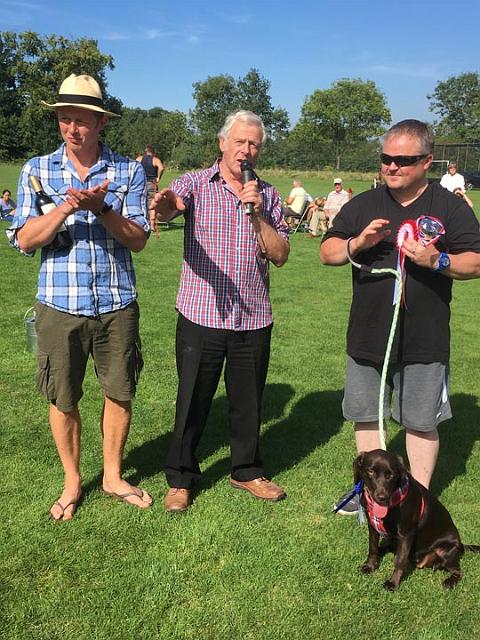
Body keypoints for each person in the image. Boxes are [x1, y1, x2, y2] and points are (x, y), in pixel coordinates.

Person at [6, 74, 152, 520]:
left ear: (100, 123)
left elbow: (139, 240)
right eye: (65, 119)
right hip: (59, 304)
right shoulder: (37, 170)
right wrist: (67, 207)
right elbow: (24, 240)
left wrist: (101, 209)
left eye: (82, 120)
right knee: (62, 397)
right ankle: (72, 480)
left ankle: (111, 475)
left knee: (119, 392)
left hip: (116, 302)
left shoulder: (127, 170)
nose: (72, 128)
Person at [320, 119, 480, 515]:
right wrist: (358, 242)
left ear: (427, 161)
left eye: (403, 160)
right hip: (368, 334)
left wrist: (436, 259)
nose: (392, 167)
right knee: (366, 414)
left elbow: (475, 260)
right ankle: (369, 493)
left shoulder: (449, 207)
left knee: (420, 420)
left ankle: (417, 501)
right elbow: (328, 253)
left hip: (424, 337)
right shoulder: (364, 205)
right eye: (386, 158)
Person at [150, 110, 290, 513]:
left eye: (254, 144)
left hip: (253, 318)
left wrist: (259, 214)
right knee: (192, 399)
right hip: (201, 315)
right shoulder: (195, 183)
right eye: (240, 142)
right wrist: (165, 205)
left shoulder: (268, 194)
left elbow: (280, 255)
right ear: (222, 143)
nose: (246, 150)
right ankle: (180, 477)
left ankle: (246, 470)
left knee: (249, 402)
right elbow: (173, 207)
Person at [136, 145, 164, 233]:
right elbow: (161, 167)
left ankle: (140, 223)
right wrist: (158, 177)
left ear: (146, 151)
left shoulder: (139, 159)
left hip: (140, 183)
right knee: (152, 203)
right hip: (151, 183)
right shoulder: (155, 160)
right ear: (153, 152)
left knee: (140, 203)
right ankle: (151, 225)